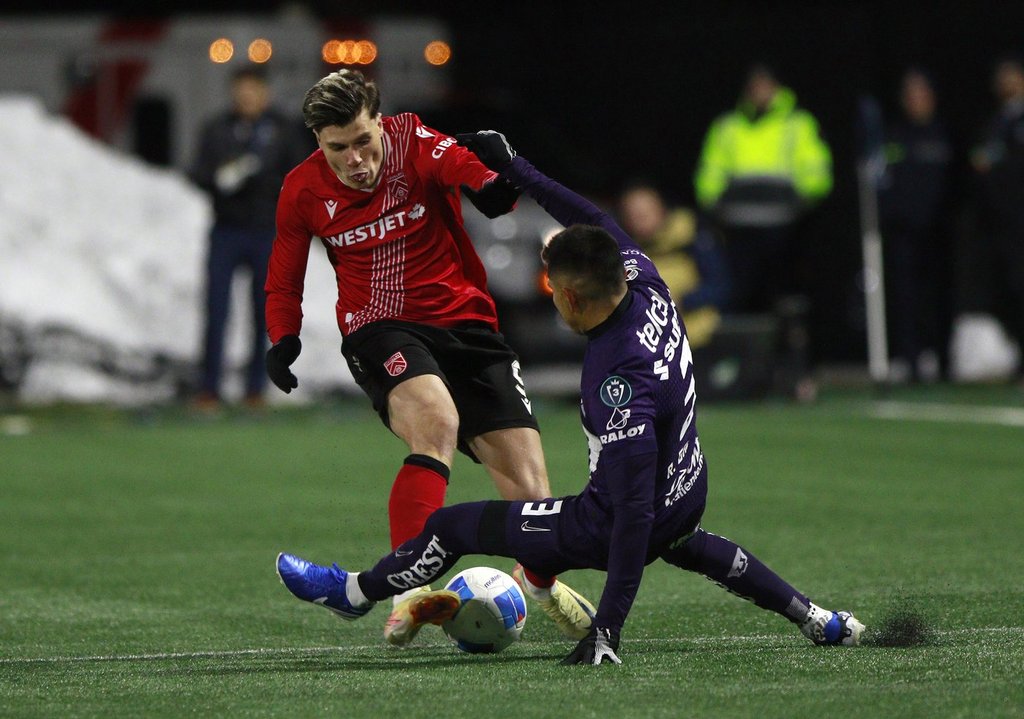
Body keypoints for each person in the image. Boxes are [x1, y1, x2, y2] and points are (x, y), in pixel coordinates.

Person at [275, 131, 865, 665]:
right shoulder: (642, 278)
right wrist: (517, 167)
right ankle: (819, 620)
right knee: (695, 547)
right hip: (687, 493)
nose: (552, 299)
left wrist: (609, 630)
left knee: (454, 528)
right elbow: (591, 217)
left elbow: (630, 517)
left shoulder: (616, 381)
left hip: (607, 523)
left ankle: (354, 592)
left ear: (576, 303)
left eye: (555, 292)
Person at [262, 70, 594, 646]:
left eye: (363, 140)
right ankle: (407, 594)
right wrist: (282, 337)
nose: (355, 160)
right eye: (337, 148)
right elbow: (283, 277)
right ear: (318, 141)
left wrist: (497, 180)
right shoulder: (302, 190)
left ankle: (539, 585)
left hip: (466, 325)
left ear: (380, 120)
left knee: (533, 498)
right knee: (436, 423)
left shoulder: (415, 141)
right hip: (380, 329)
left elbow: (483, 186)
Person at [189, 66, 310, 409]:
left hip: (266, 233)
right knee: (216, 310)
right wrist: (220, 178)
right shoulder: (217, 128)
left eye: (252, 91)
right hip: (226, 230)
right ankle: (209, 388)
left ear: (264, 93)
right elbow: (197, 172)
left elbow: (299, 175)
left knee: (264, 313)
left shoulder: (283, 130)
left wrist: (262, 182)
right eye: (240, 92)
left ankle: (255, 389)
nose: (246, 99)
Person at [694, 63, 832, 314]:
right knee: (738, 293)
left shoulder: (798, 123)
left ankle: (785, 349)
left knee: (783, 295)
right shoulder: (729, 126)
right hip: (737, 226)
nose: (760, 91)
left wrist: (803, 200)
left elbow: (816, 169)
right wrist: (713, 202)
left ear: (777, 87)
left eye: (765, 85)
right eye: (754, 86)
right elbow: (710, 171)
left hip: (784, 227)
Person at [878, 68, 954, 383]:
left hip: (937, 232)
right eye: (911, 95)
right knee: (905, 298)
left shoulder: (945, 134)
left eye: (922, 94)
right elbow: (884, 185)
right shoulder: (894, 135)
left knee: (938, 298)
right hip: (903, 234)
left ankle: (944, 361)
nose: (917, 101)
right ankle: (910, 361)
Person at [618, 182, 730, 348]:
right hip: (644, 341)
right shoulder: (621, 251)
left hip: (698, 333)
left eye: (646, 211)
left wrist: (683, 301)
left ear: (662, 209)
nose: (641, 218)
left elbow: (721, 286)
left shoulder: (691, 238)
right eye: (634, 214)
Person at [969, 55, 1024, 374]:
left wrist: (997, 165)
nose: (1007, 83)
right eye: (1002, 78)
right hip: (1002, 224)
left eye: (1013, 76)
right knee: (1009, 289)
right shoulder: (994, 121)